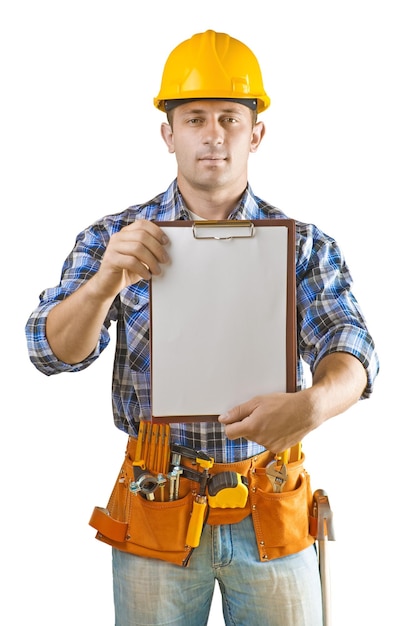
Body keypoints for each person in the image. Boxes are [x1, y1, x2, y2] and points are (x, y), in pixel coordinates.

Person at [26, 30, 379, 626]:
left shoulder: (303, 246)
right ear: (168, 134)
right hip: (157, 501)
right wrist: (104, 282)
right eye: (194, 119)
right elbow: (51, 351)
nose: (213, 135)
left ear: (256, 133)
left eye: (229, 119)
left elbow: (352, 347)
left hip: (269, 502)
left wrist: (316, 404)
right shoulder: (115, 237)